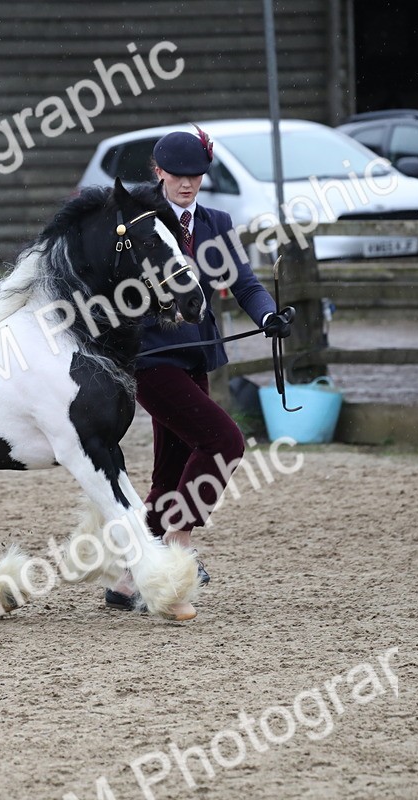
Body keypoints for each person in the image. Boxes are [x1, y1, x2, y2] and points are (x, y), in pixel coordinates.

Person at [106, 126, 293, 613]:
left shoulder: (215, 222)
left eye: (196, 176)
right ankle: (178, 546)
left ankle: (128, 580)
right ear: (158, 172)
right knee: (224, 442)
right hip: (151, 358)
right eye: (178, 175)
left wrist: (268, 315)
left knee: (170, 468)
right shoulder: (141, 224)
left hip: (197, 356)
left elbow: (246, 283)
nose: (187, 185)